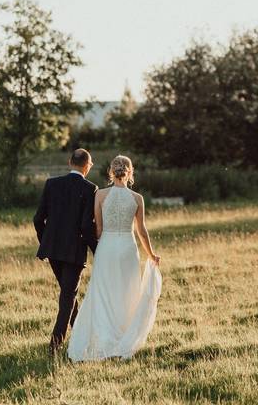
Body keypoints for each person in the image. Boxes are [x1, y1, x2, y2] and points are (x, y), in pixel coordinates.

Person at [68, 155, 162, 361]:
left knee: (103, 292)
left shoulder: (100, 195)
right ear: (130, 172)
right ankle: (124, 336)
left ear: (111, 172)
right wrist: (151, 254)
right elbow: (142, 232)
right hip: (128, 248)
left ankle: (103, 336)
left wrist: (103, 245)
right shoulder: (137, 198)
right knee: (126, 292)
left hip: (107, 247)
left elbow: (98, 228)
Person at [33, 148, 98, 354]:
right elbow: (87, 227)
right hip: (74, 252)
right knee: (68, 296)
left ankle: (80, 334)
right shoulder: (90, 189)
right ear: (88, 166)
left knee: (68, 293)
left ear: (70, 162)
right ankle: (55, 345)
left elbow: (37, 219)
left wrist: (46, 242)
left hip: (53, 250)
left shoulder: (52, 184)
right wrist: (98, 250)